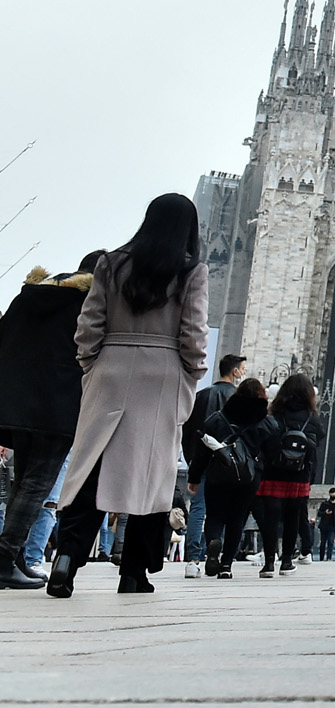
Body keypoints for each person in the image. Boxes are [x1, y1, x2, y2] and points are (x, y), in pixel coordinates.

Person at [47, 195, 208, 598]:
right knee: (150, 476)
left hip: (111, 368)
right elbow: (193, 334)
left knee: (92, 469)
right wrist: (191, 374)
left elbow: (89, 325)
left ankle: (66, 559)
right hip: (164, 372)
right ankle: (135, 571)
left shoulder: (110, 263)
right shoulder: (191, 271)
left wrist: (93, 365)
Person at [0, 259, 96, 588]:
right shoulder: (87, 305)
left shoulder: (31, 297)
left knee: (22, 482)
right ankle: (3, 559)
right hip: (58, 405)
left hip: (18, 402)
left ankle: (13, 559)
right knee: (37, 485)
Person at [187, 378, 269, 578]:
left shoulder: (217, 419)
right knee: (237, 520)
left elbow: (201, 451)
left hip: (218, 474)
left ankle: (214, 541)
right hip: (249, 478)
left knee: (215, 515)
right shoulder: (263, 421)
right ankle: (226, 566)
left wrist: (195, 477)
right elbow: (271, 449)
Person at [253, 373, 326, 578]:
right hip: (298, 474)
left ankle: (268, 563)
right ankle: (286, 562)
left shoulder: (274, 413)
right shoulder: (311, 417)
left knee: (271, 519)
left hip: (274, 472)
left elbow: (261, 437)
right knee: (293, 518)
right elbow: (318, 438)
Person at [181, 353, 247, 578]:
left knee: (198, 510)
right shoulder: (240, 399)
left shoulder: (200, 396)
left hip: (202, 461)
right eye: (242, 369)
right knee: (228, 512)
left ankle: (192, 559)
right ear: (235, 371)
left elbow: (187, 431)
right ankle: (221, 556)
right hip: (230, 465)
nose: (243, 373)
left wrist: (192, 460)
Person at [316, 488, 335, 561]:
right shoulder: (324, 504)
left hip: (333, 526)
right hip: (324, 526)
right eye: (331, 493)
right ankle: (321, 558)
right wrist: (325, 513)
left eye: (333, 493)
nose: (332, 495)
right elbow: (319, 513)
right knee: (323, 543)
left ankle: (329, 557)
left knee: (331, 541)